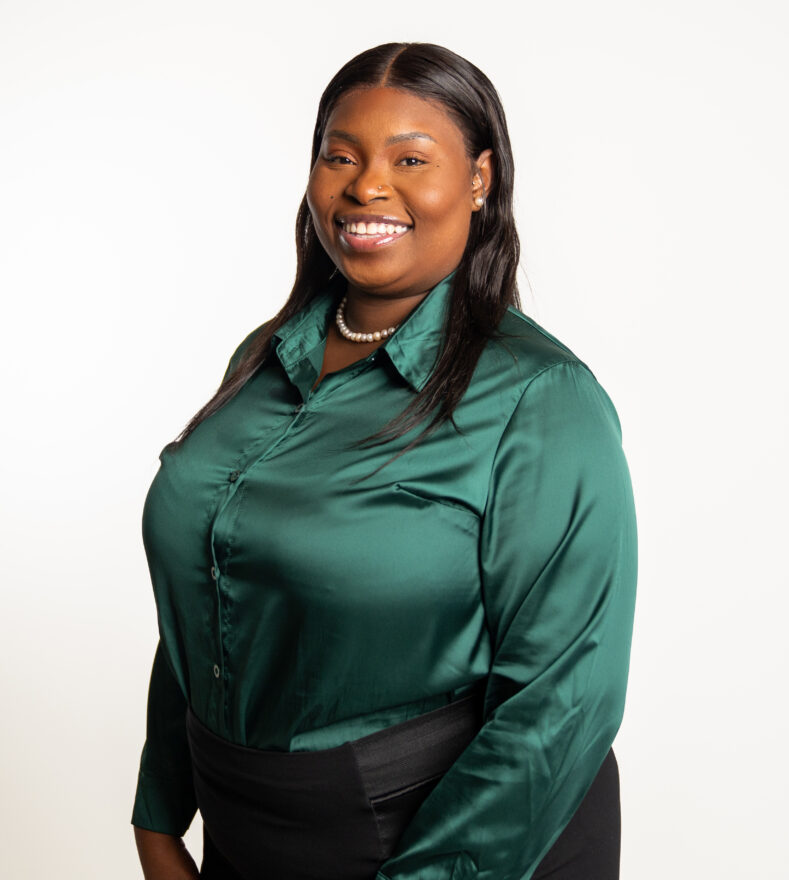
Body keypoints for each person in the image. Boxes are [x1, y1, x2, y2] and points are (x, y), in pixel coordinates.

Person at [131, 41, 638, 880]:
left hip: (446, 842)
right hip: (247, 827)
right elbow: (209, 590)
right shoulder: (262, 357)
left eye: (410, 159)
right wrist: (159, 816)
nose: (367, 186)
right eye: (341, 156)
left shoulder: (541, 400)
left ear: (478, 179)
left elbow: (563, 701)